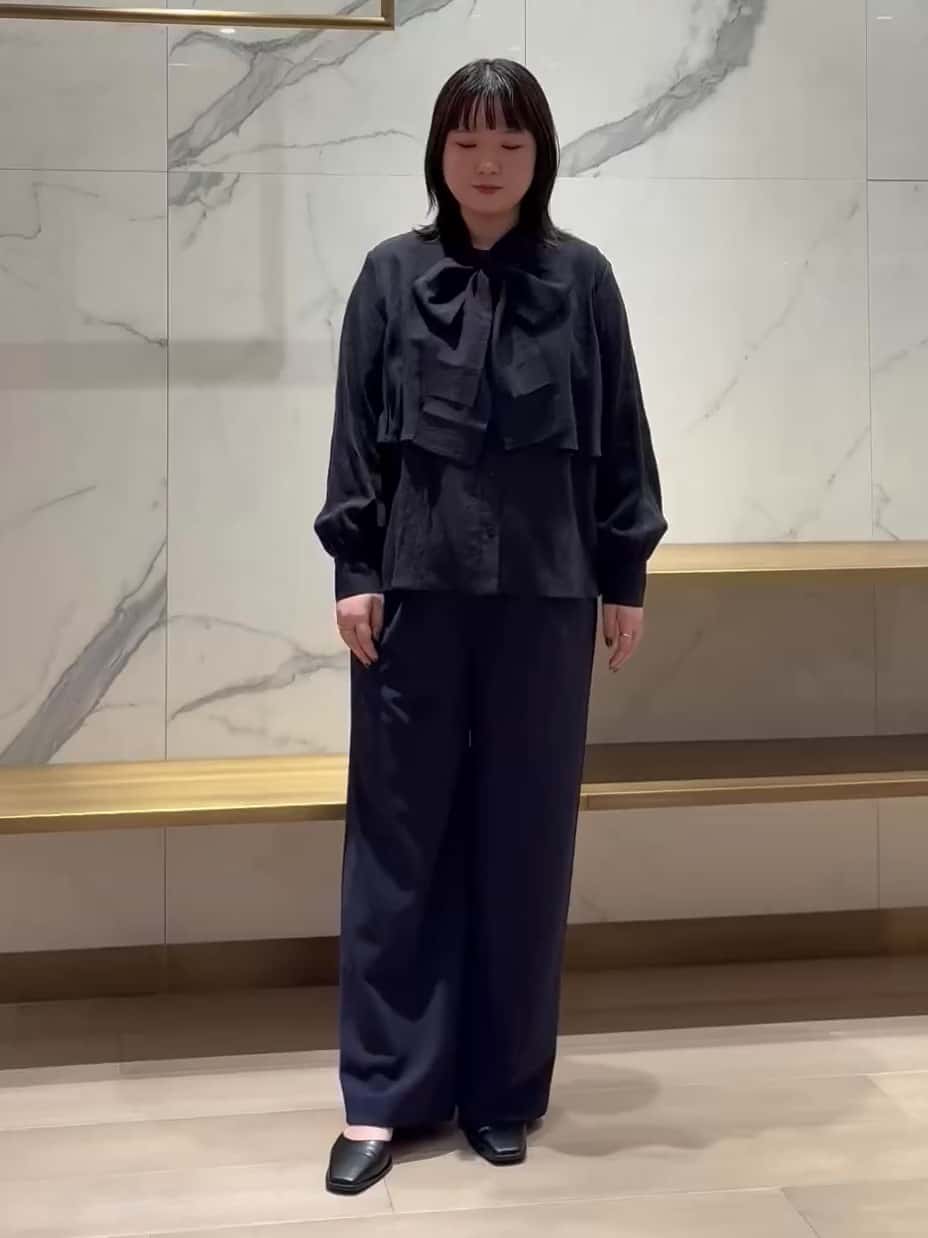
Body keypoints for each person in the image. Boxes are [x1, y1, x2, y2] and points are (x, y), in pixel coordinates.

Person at [314, 57, 667, 1195]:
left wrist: (624, 573)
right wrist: (354, 565)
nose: (487, 163)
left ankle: (501, 1089)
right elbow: (356, 430)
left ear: (539, 157)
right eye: (467, 142)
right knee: (397, 842)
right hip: (413, 596)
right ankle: (381, 1096)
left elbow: (621, 430)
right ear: (439, 152)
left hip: (547, 599)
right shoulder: (390, 274)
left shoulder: (584, 279)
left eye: (510, 144)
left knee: (525, 841)